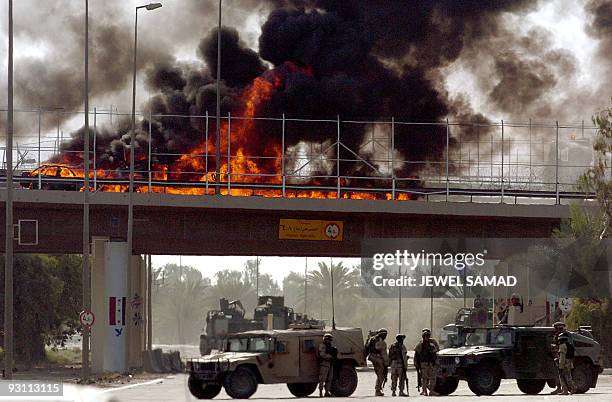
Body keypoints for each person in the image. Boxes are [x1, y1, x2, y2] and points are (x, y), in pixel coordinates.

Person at [414, 328, 439, 396]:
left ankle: (431, 391)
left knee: (432, 377)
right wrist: (416, 364)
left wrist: (435, 362)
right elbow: (416, 355)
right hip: (424, 363)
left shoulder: (432, 345)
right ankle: (424, 390)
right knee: (424, 378)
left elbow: (435, 354)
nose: (427, 337)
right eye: (425, 336)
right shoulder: (420, 345)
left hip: (430, 363)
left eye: (427, 336)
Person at [367, 328, 390, 396]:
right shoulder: (382, 343)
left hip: (372, 358)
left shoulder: (373, 339)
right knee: (381, 375)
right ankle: (377, 390)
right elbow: (384, 354)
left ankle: (378, 389)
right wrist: (387, 363)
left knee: (379, 374)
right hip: (378, 359)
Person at [318, 333, 336, 397]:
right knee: (322, 379)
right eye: (329, 340)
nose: (330, 341)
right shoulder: (322, 345)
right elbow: (322, 354)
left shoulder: (329, 346)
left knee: (329, 378)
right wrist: (330, 357)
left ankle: (327, 392)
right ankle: (320, 392)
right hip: (324, 364)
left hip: (330, 364)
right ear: (326, 340)